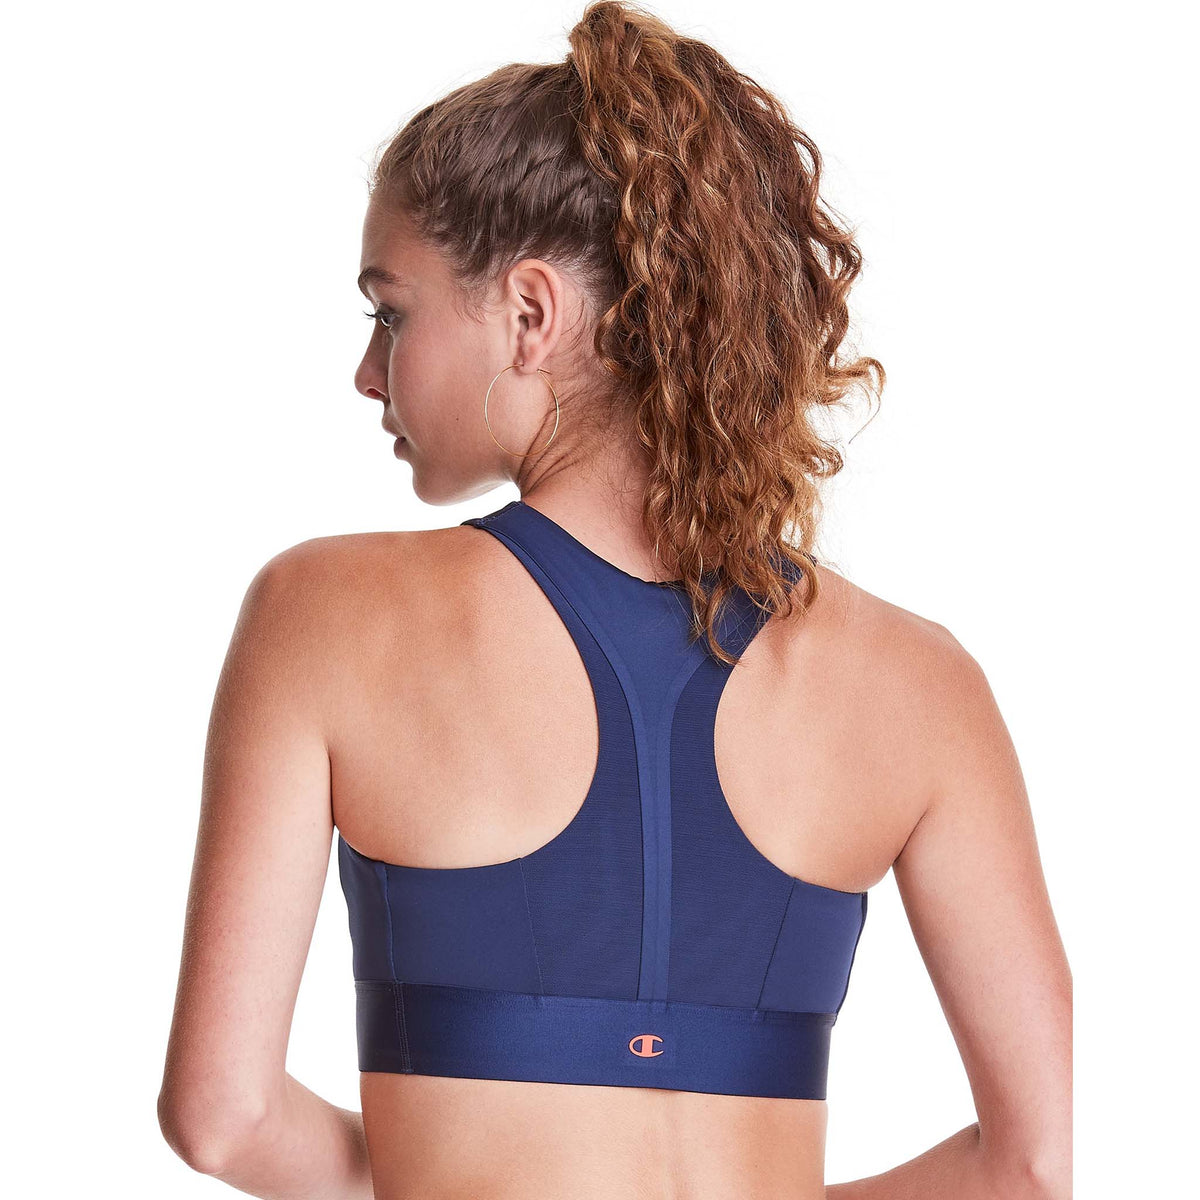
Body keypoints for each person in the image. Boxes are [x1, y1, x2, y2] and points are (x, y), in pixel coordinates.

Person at [156, 3, 1072, 1197]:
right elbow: (1031, 1165)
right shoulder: (920, 680)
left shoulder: (326, 613)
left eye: (391, 311)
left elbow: (223, 1119)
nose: (369, 372)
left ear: (530, 314)